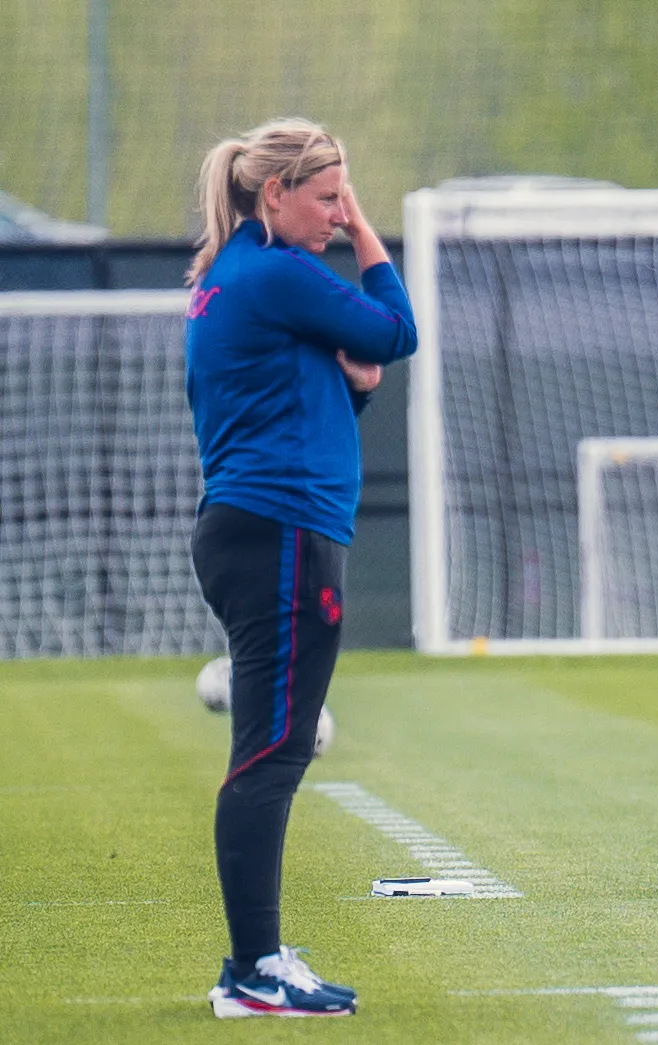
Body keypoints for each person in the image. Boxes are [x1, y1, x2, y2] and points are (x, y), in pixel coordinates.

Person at [184, 118, 416, 1018]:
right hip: (278, 535)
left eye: (343, 201)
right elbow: (395, 329)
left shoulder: (230, 278)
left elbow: (302, 398)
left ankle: (258, 956)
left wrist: (344, 389)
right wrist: (368, 237)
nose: (336, 215)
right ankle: (251, 971)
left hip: (258, 528)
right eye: (326, 198)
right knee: (271, 756)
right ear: (272, 194)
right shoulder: (277, 272)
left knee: (272, 745)